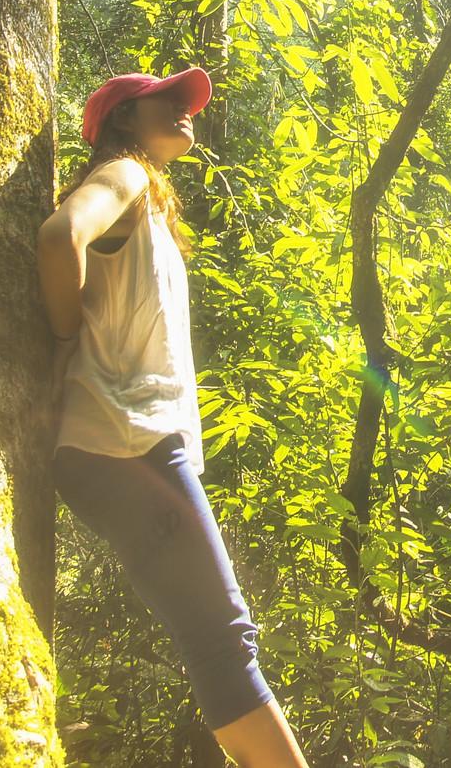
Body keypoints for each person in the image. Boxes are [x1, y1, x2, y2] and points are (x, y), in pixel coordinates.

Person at [37, 66, 308, 767]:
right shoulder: (123, 174)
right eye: (168, 101)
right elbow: (60, 234)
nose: (187, 110)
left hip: (128, 444)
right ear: (124, 120)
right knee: (222, 633)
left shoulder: (147, 199)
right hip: (127, 441)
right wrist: (65, 343)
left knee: (214, 633)